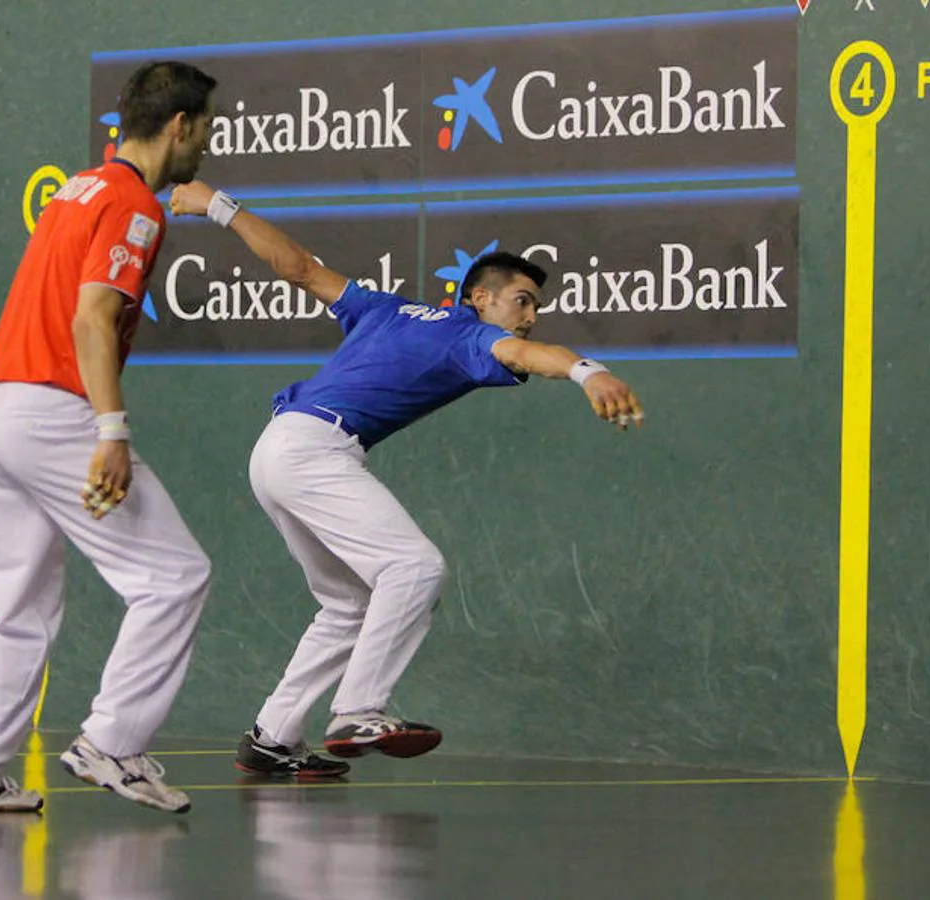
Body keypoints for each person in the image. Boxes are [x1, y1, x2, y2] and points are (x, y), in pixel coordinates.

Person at [168, 179, 645, 778]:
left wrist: (217, 204)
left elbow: (296, 267)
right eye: (522, 300)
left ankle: (272, 736)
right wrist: (588, 373)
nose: (530, 315)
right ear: (481, 298)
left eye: (536, 306)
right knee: (415, 568)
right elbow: (527, 356)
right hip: (314, 449)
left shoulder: (384, 308)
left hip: (278, 449)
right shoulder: (474, 334)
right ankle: (358, 709)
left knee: (345, 605)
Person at [0, 61, 220, 815]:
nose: (208, 143)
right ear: (179, 126)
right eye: (207, 126)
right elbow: (92, 317)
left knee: (20, 609)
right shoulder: (133, 205)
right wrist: (110, 428)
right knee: (175, 575)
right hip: (51, 412)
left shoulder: (77, 187)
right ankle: (112, 744)